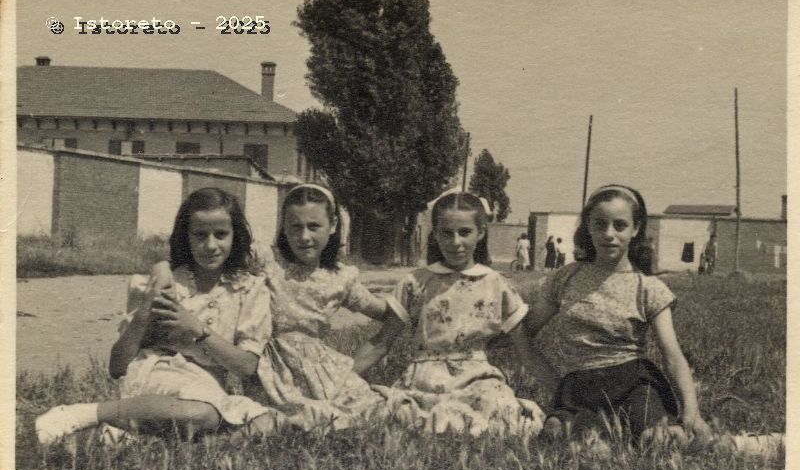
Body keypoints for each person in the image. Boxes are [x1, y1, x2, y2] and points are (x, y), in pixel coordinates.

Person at [35, 188, 276, 445]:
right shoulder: (168, 283)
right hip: (158, 375)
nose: (210, 245)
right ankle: (85, 414)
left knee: (268, 421)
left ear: (235, 235)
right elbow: (117, 367)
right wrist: (146, 307)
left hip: (207, 386)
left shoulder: (250, 289)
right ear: (186, 237)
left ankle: (132, 437)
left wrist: (196, 328)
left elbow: (246, 366)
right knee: (203, 414)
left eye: (221, 234)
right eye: (199, 235)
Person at [522, 184, 713, 444]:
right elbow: (524, 330)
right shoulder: (565, 278)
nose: (609, 234)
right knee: (563, 436)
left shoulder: (648, 288)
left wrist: (692, 413)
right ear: (588, 227)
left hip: (634, 385)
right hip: (579, 388)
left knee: (656, 441)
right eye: (600, 224)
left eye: (620, 225)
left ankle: (740, 443)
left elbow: (672, 355)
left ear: (635, 229)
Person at [370, 192, 551, 437]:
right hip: (425, 377)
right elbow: (381, 343)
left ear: (481, 233)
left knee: (499, 406)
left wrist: (564, 394)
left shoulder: (496, 284)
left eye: (465, 232)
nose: (455, 242)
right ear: (435, 234)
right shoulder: (415, 282)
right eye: (447, 233)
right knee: (394, 410)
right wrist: (341, 383)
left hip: (476, 378)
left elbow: (527, 354)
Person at [245, 184, 405, 435]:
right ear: (283, 227)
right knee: (285, 420)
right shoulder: (267, 261)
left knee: (378, 412)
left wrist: (417, 298)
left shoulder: (339, 278)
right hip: (272, 371)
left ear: (332, 226)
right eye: (295, 227)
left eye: (314, 226)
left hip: (321, 370)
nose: (304, 236)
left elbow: (386, 312)